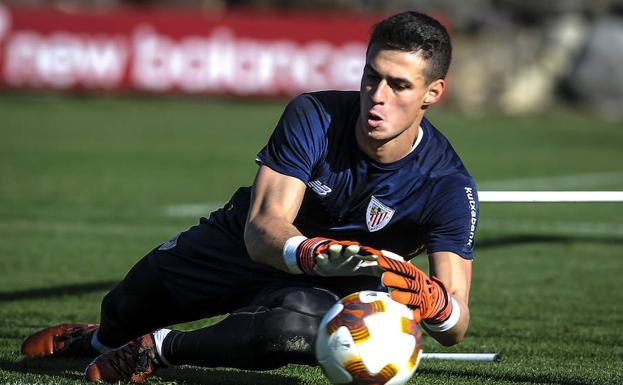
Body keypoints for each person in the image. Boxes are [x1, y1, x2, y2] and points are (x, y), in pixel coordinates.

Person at [21, 10, 479, 383]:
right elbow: (263, 230)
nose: (377, 96)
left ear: (432, 93)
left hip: (322, 291)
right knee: (126, 303)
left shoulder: (448, 185)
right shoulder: (314, 114)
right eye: (371, 76)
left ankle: (160, 349)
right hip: (243, 247)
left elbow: (456, 322)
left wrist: (436, 306)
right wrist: (311, 250)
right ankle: (102, 339)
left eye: (399, 85)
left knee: (286, 333)